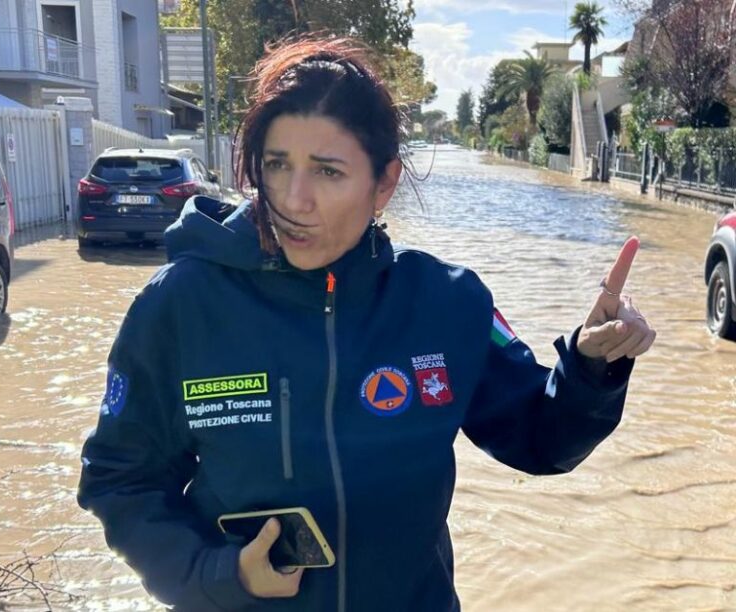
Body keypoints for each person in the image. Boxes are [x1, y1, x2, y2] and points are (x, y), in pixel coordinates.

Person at [77, 36, 656, 612]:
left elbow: (542, 439)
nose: (295, 200)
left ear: (385, 183)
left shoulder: (448, 303)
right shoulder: (180, 305)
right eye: (277, 165)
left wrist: (591, 365)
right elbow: (120, 481)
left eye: (328, 172)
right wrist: (218, 574)